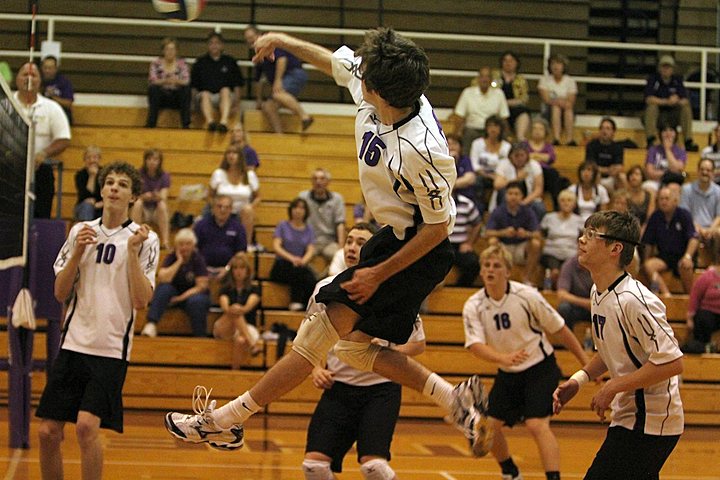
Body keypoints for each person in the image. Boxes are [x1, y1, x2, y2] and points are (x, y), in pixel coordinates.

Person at [164, 27, 491, 457]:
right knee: (354, 349)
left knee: (318, 332)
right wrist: (281, 39)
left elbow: (438, 228)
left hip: (416, 249)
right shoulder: (382, 87)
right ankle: (454, 400)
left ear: (382, 92)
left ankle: (225, 421)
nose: (359, 72)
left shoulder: (424, 150)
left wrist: (377, 274)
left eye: (366, 73)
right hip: (389, 237)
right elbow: (332, 62)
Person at [37, 161, 158, 480]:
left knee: (86, 428)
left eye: (122, 184)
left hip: (110, 350)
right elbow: (60, 293)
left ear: (132, 197)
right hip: (74, 344)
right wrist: (77, 252)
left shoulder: (144, 238)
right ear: (102, 190)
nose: (114, 188)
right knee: (48, 432)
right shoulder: (80, 231)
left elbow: (141, 300)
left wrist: (132, 253)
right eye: (110, 183)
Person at [553, 211, 684, 480]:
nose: (581, 239)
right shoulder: (597, 291)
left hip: (651, 421)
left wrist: (613, 386)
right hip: (629, 414)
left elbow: (672, 362)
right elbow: (610, 349)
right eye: (584, 232)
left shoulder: (635, 300)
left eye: (591, 235)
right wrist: (579, 380)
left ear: (615, 248)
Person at [303, 222, 422, 480]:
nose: (352, 247)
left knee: (374, 468)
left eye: (361, 242)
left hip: (380, 390)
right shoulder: (325, 287)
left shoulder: (394, 289)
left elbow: (418, 343)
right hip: (339, 388)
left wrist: (386, 349)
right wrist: (317, 367)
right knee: (314, 467)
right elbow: (310, 338)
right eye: (349, 241)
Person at [464, 245, 589, 480]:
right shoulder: (474, 305)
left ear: (508, 272)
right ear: (481, 272)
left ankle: (553, 477)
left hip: (540, 367)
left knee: (536, 424)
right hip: (508, 371)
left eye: (497, 265)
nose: (491, 270)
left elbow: (560, 329)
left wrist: (586, 364)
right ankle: (510, 471)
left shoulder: (527, 296)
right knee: (490, 427)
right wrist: (503, 358)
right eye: (487, 266)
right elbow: (474, 345)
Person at [14, 62, 71, 219]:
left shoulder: (51, 107)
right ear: (17, 79)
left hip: (41, 171)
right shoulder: (6, 105)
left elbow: (64, 138)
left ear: (40, 81)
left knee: (41, 214)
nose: (29, 78)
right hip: (10, 169)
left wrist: (43, 153)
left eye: (33, 75)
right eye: (25, 74)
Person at [142, 228, 210, 338]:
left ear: (193, 245)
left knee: (197, 301)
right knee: (163, 288)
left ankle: (200, 336)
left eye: (188, 244)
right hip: (173, 293)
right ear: (176, 246)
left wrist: (180, 298)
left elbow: (201, 286)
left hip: (192, 295)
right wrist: (179, 262)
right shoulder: (172, 257)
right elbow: (163, 278)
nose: (184, 247)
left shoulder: (198, 259)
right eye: (181, 244)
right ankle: (151, 324)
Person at [244, 25, 313, 133]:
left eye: (252, 37)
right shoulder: (258, 55)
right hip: (285, 77)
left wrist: (278, 80)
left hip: (293, 73)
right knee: (268, 106)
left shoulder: (269, 45)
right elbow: (257, 80)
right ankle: (279, 134)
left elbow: (282, 59)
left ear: (259, 35)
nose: (250, 40)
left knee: (277, 93)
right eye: (247, 39)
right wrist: (258, 100)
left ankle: (305, 116)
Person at [642, 185, 698, 296]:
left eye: (667, 199)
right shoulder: (655, 217)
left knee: (685, 265)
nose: (664, 202)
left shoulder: (684, 215)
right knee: (648, 266)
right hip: (665, 256)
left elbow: (693, 238)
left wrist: (687, 256)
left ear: (675, 201)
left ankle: (690, 299)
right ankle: (667, 296)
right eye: (661, 199)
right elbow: (648, 242)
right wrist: (645, 261)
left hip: (683, 255)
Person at [485, 180, 542, 286]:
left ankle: (527, 278)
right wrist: (503, 233)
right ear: (505, 195)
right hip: (504, 247)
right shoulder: (498, 211)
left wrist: (526, 234)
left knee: (536, 243)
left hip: (521, 247)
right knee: (492, 241)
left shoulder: (528, 211)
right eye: (510, 193)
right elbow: (488, 232)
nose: (513, 197)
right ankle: (498, 278)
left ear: (522, 196)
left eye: (516, 194)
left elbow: (538, 234)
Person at [213, 252, 262, 368]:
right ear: (232, 271)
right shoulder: (225, 288)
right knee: (234, 312)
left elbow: (247, 307)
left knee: (240, 340)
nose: (238, 271)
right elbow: (225, 307)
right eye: (235, 268)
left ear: (247, 270)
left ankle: (235, 372)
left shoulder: (255, 289)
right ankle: (253, 345)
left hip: (247, 326)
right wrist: (234, 309)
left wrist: (238, 309)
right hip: (227, 325)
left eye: (242, 268)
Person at [270, 198, 317, 311]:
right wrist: (292, 259)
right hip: (282, 265)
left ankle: (307, 305)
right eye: (296, 207)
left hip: (299, 265)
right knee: (298, 273)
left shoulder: (309, 229)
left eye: (301, 208)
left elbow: (311, 249)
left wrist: (302, 261)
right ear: (291, 210)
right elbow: (276, 246)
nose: (298, 211)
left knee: (311, 277)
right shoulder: (283, 225)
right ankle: (295, 302)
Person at [191, 32, 244, 133]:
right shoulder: (200, 62)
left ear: (222, 45)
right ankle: (210, 122)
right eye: (211, 43)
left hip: (225, 98)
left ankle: (223, 122)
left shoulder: (230, 61)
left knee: (225, 90)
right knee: (205, 93)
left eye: (217, 43)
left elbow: (237, 85)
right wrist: (193, 105)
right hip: (205, 98)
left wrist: (237, 105)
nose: (214, 45)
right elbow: (194, 86)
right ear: (207, 45)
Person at [643, 54, 698, 151]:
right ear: (659, 68)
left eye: (668, 67)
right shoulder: (653, 79)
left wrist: (676, 101)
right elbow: (648, 99)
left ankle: (688, 141)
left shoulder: (677, 80)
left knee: (686, 108)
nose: (666, 69)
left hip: (673, 115)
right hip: (658, 115)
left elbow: (685, 100)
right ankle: (651, 140)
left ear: (672, 69)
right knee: (651, 107)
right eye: (664, 67)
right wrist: (666, 101)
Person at [452, 66, 511, 155]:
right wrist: (456, 134)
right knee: (467, 136)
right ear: (478, 79)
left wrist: (507, 135)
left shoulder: (499, 94)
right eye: (482, 76)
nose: (485, 79)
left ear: (491, 79)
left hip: (492, 130)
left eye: (487, 77)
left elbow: (504, 117)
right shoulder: (467, 92)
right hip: (472, 130)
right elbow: (459, 116)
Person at [209, 145, 260, 245]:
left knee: (248, 211)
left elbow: (258, 197)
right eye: (228, 153)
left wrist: (251, 206)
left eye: (234, 153)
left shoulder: (250, 175)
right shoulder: (218, 173)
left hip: (241, 212)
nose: (231, 156)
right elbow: (210, 196)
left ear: (240, 156)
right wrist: (216, 207)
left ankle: (246, 244)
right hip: (222, 209)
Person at [449, 134, 482, 287]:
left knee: (473, 263)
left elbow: (477, 223)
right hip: (440, 246)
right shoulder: (435, 204)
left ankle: (460, 290)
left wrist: (469, 242)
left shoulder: (466, 203)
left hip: (459, 245)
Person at [299, 168, 347, 263]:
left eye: (322, 178)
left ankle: (325, 278)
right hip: (309, 242)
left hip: (329, 242)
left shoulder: (337, 199)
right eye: (315, 178)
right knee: (300, 259)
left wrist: (341, 249)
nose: (318, 182)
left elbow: (340, 224)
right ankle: (315, 278)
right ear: (311, 181)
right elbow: (297, 222)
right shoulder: (303, 197)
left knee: (340, 260)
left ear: (328, 182)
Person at [540, 190, 584, 289]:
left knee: (568, 269)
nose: (566, 203)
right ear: (559, 202)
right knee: (555, 271)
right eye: (563, 200)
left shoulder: (579, 220)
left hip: (570, 253)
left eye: (569, 200)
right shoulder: (549, 218)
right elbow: (541, 235)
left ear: (574, 204)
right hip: (552, 253)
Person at [146, 37, 192, 129]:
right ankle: (151, 123)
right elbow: (152, 80)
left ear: (176, 51)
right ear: (163, 51)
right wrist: (165, 81)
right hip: (161, 96)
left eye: (172, 49)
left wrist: (176, 81)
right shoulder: (156, 63)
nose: (170, 52)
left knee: (186, 90)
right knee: (153, 89)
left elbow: (186, 81)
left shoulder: (182, 64)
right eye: (167, 49)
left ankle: (186, 124)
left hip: (177, 96)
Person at [193, 195, 247, 273]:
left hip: (229, 272)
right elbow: (194, 249)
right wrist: (202, 268)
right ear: (213, 208)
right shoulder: (201, 225)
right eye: (219, 206)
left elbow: (241, 253)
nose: (223, 210)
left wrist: (227, 269)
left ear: (231, 209)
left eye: (226, 207)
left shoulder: (238, 227)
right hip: (203, 270)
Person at [493, 142, 545, 221]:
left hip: (528, 199)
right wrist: (516, 179)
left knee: (539, 208)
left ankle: (533, 229)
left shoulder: (534, 165)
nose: (520, 158)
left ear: (527, 155)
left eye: (522, 155)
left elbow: (538, 189)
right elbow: (497, 185)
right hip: (509, 199)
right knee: (502, 193)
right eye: (516, 155)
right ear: (510, 156)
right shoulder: (503, 164)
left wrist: (524, 202)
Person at [131, 148, 171, 250]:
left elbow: (164, 196)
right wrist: (144, 197)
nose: (152, 162)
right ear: (145, 160)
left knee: (162, 204)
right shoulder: (138, 174)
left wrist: (157, 196)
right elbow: (134, 196)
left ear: (159, 162)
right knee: (138, 203)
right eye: (149, 159)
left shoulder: (164, 175)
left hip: (156, 210)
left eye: (155, 159)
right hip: (143, 209)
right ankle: (135, 237)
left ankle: (165, 241)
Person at [685, 238, 720, 353]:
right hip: (708, 314)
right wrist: (690, 318)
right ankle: (704, 347)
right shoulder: (707, 276)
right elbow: (695, 296)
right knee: (703, 317)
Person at [469, 114, 511, 207]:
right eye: (490, 126)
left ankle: (498, 213)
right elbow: (474, 164)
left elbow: (506, 165)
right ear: (486, 128)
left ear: (501, 129)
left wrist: (497, 177)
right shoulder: (477, 143)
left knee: (503, 187)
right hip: (481, 174)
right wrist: (488, 175)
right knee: (477, 183)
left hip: (499, 176)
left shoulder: (507, 146)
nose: (493, 129)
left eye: (496, 126)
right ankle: (478, 213)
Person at [524, 117, 564, 211]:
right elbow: (524, 157)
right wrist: (541, 156)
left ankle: (557, 207)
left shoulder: (548, 146)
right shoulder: (524, 144)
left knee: (553, 174)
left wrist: (533, 155)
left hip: (545, 175)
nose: (537, 131)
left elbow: (551, 158)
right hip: (528, 172)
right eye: (535, 128)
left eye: (540, 129)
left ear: (546, 131)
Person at [537, 54, 577, 146]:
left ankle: (569, 139)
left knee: (568, 108)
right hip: (548, 110)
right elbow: (546, 99)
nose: (555, 66)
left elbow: (571, 100)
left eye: (558, 64)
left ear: (563, 66)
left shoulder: (570, 81)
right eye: (553, 63)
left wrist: (558, 101)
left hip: (566, 108)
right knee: (555, 108)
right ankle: (556, 139)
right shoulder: (544, 80)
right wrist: (560, 101)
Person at [492, 51, 530, 141]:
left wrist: (506, 103)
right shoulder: (494, 76)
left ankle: (521, 137)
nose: (508, 63)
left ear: (516, 63)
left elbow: (523, 99)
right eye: (505, 60)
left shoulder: (521, 79)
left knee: (523, 113)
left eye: (511, 61)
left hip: (514, 108)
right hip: (497, 108)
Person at [680, 158, 720, 244]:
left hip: (712, 228)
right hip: (692, 226)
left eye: (708, 170)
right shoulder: (686, 189)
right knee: (693, 232)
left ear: (713, 173)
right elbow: (685, 215)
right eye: (702, 169)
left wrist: (710, 230)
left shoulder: (718, 191)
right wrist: (699, 229)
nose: (705, 172)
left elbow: (719, 216)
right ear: (697, 171)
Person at [584, 117, 626, 192]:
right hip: (596, 176)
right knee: (596, 174)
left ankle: (621, 200)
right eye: (602, 128)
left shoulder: (618, 147)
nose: (604, 131)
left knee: (622, 177)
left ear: (613, 132)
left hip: (612, 177)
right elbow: (591, 166)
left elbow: (619, 167)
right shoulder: (592, 145)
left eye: (608, 128)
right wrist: (607, 169)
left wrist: (605, 170)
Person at [643, 124, 688, 192]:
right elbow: (650, 172)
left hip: (673, 182)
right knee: (647, 187)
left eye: (671, 130)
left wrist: (667, 150)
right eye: (664, 130)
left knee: (675, 189)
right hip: (655, 181)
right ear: (660, 134)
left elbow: (676, 169)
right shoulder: (653, 150)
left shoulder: (681, 151)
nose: (668, 133)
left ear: (676, 133)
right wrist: (667, 173)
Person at [556, 255, 593, 331]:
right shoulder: (569, 265)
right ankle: (565, 342)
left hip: (597, 306)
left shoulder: (601, 265)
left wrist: (594, 304)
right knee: (564, 308)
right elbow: (562, 295)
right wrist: (586, 303)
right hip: (578, 306)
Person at [41, 55, 74, 124]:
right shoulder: (38, 81)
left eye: (50, 68)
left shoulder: (64, 82)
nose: (47, 71)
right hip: (43, 115)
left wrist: (52, 97)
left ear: (56, 69)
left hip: (61, 116)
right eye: (45, 68)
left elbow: (68, 103)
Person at [73, 145, 103, 221]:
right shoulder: (80, 175)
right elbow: (85, 196)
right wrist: (92, 176)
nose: (92, 160)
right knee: (87, 206)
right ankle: (86, 231)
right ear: (84, 160)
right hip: (84, 206)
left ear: (99, 159)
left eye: (95, 157)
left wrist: (98, 204)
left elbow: (107, 194)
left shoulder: (105, 173)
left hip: (102, 205)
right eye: (88, 158)